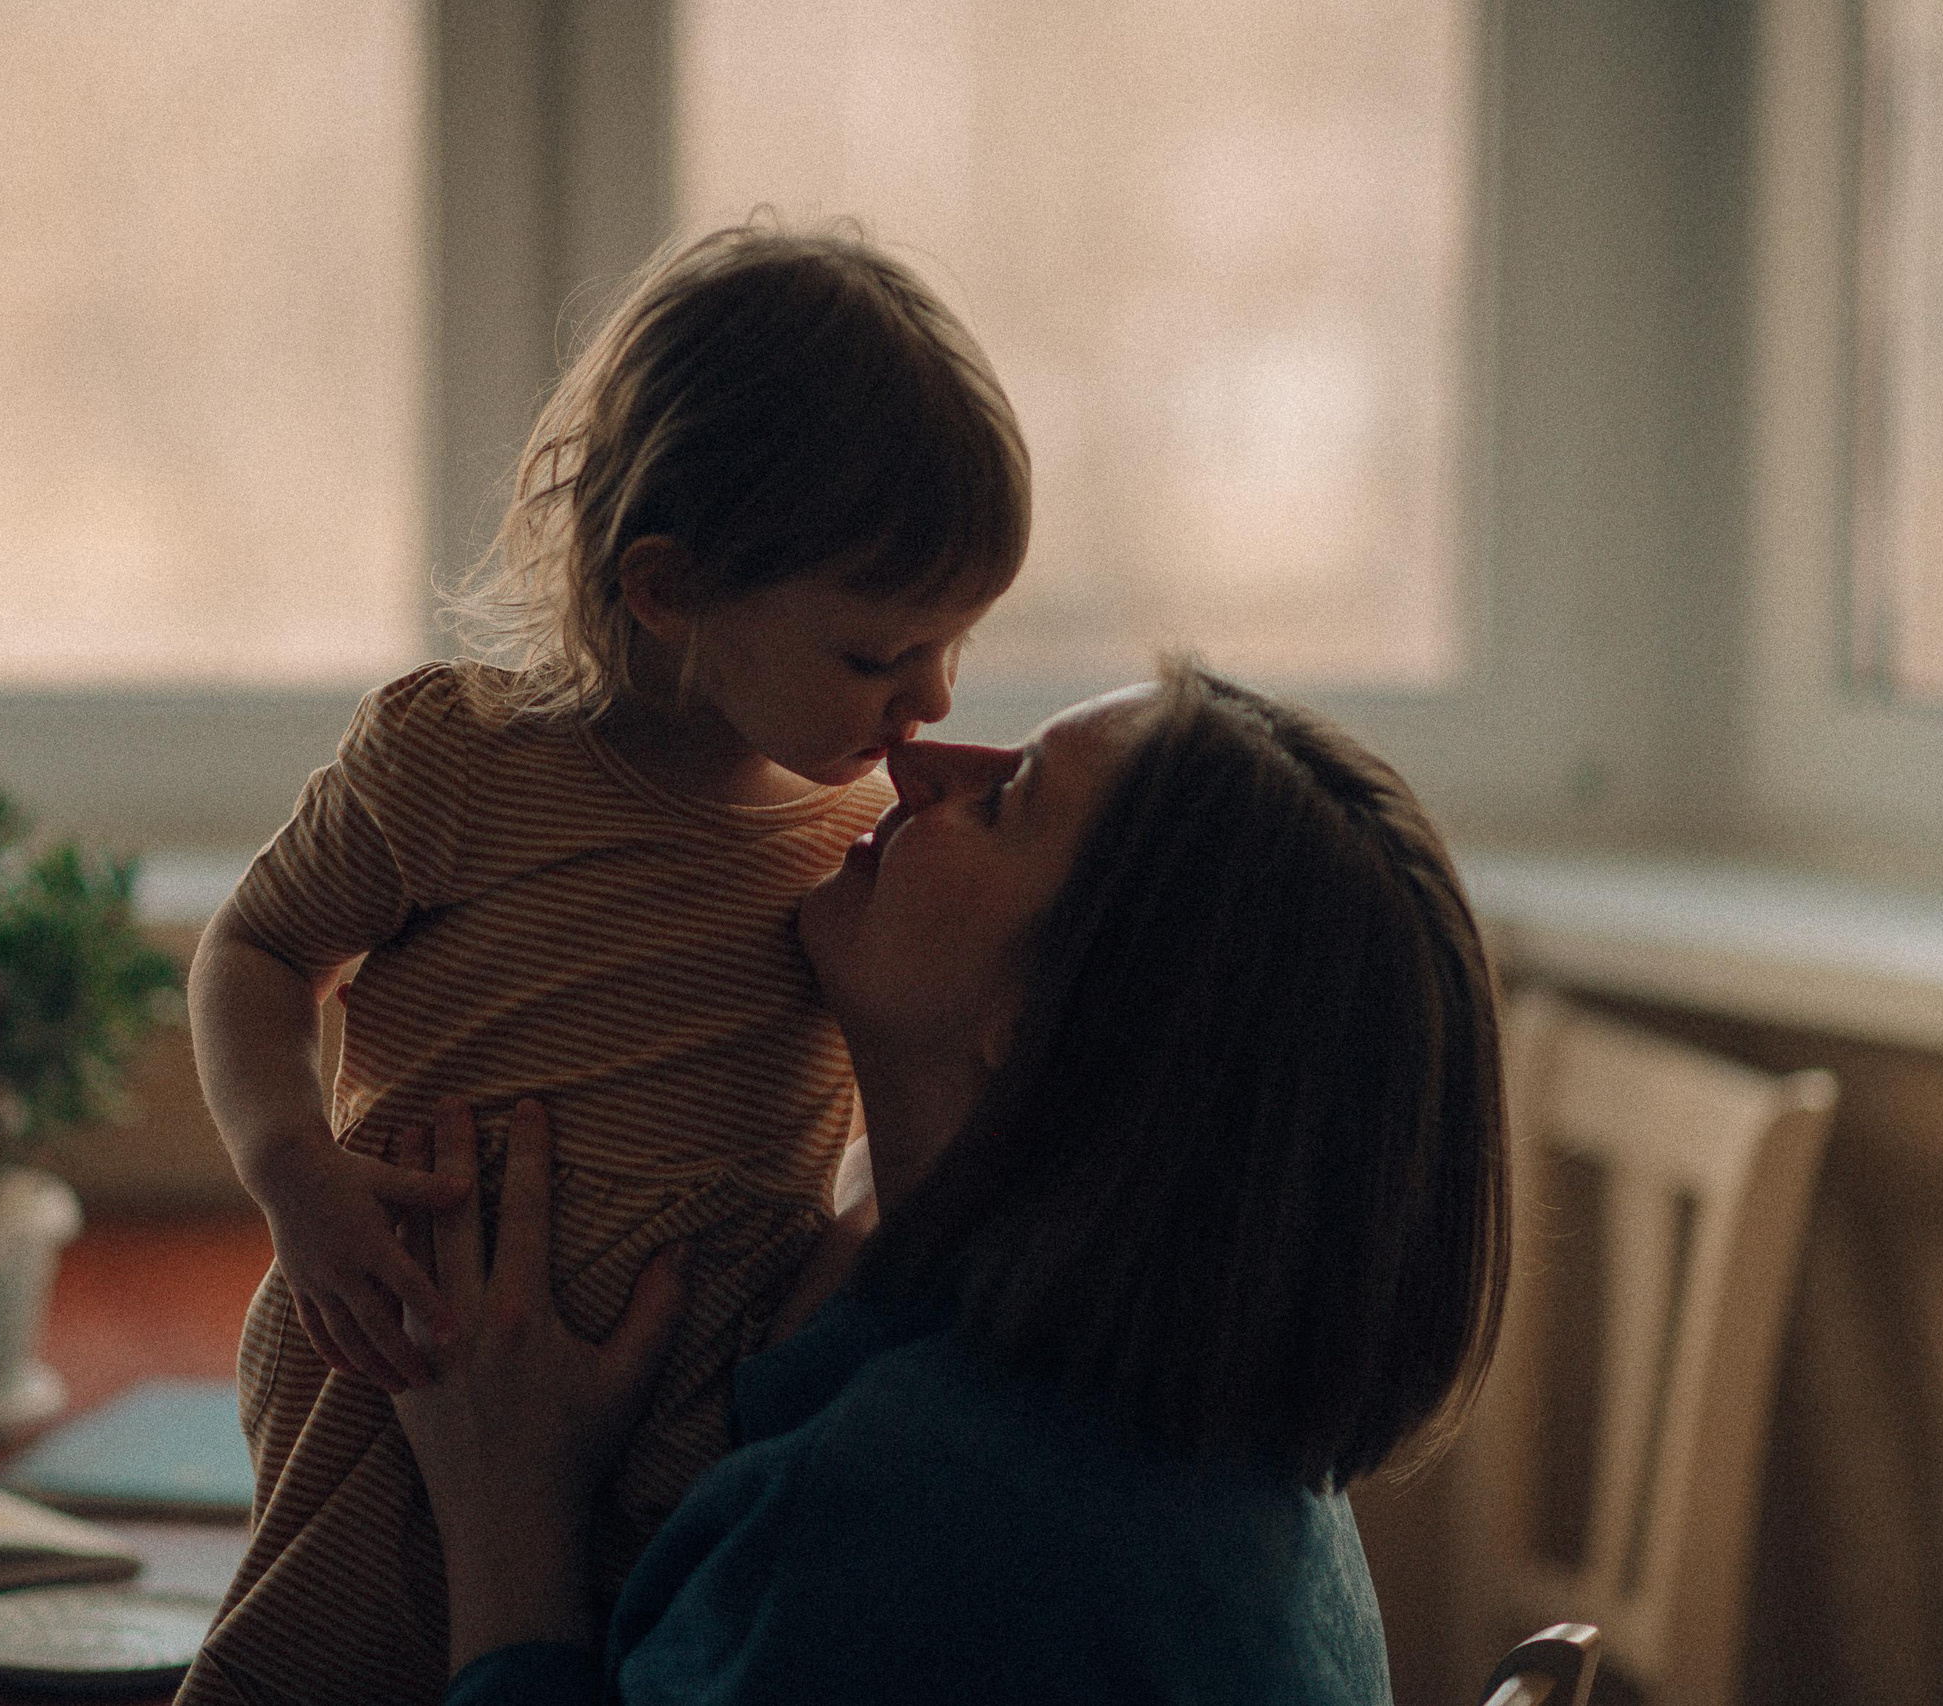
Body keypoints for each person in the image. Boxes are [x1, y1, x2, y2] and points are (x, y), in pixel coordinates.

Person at [178, 220, 1031, 1706]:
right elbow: (254, 951)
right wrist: (288, 1168)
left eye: (957, 641)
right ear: (667, 588)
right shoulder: (459, 759)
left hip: (694, 1413)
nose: (932, 699)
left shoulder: (858, 846)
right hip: (411, 1356)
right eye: (876, 653)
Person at [390, 662, 1513, 1704]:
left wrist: (509, 1533)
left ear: (1041, 1027)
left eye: (1005, 801)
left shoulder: (922, 1506)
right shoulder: (1213, 1427)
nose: (914, 760)